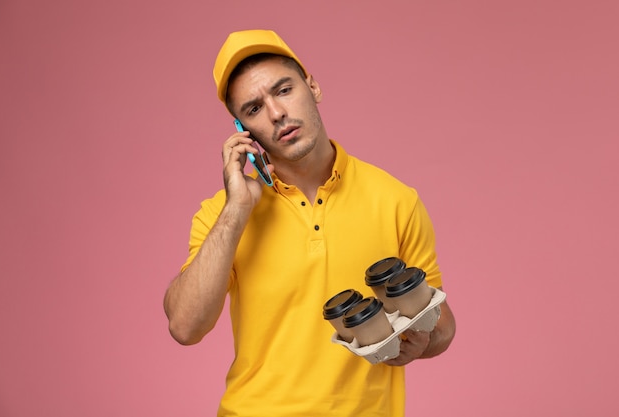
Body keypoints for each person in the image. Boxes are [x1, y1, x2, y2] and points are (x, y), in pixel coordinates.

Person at [164, 29, 456, 417]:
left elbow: (442, 324)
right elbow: (185, 327)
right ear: (242, 131)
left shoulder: (396, 199)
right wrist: (237, 210)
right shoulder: (221, 216)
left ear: (312, 86)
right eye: (253, 109)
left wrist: (423, 340)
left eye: (283, 90)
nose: (276, 113)